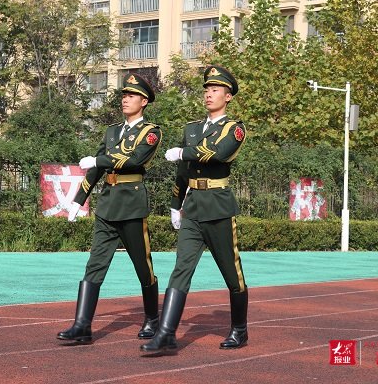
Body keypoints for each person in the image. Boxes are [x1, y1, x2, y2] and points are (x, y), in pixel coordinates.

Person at [141, 65, 248, 353]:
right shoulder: (191, 129)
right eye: (207, 90)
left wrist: (183, 152)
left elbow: (218, 154)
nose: (209, 94)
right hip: (193, 208)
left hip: (218, 207)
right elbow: (183, 173)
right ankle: (166, 333)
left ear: (228, 96)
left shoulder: (234, 129)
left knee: (231, 273)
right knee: (181, 269)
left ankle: (239, 329)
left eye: (215, 90)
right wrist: (176, 205)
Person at [57, 73, 162, 344]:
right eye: (123, 95)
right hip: (107, 205)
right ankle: (82, 325)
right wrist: (79, 199)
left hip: (131, 205)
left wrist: (99, 158)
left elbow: (134, 160)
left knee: (143, 267)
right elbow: (97, 169)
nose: (125, 100)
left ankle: (152, 319)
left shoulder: (150, 132)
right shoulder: (112, 131)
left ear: (144, 101)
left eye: (131, 96)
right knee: (94, 265)